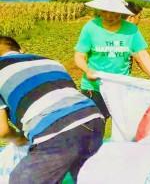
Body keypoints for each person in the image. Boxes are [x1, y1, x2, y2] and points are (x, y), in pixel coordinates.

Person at [0, 36, 104, 183]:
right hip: (93, 117)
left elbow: (2, 130)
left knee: (21, 180)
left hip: (56, 130)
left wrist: (19, 139)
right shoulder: (49, 61)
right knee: (87, 177)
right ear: (21, 50)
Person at [74, 0, 150, 119]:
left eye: (114, 12)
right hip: (94, 88)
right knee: (93, 126)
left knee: (124, 126)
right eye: (105, 11)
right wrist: (87, 70)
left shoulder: (131, 30)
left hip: (121, 88)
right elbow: (79, 55)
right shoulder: (91, 27)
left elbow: (142, 54)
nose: (110, 16)